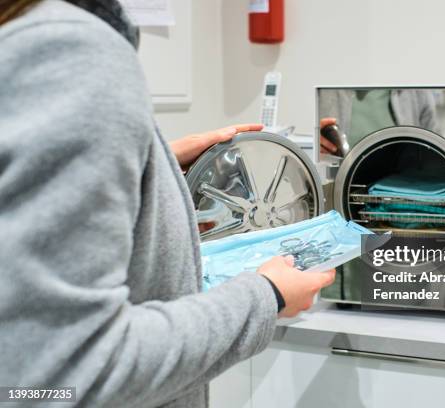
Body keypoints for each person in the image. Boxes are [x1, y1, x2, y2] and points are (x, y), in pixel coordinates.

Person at [0, 1, 335, 407]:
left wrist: (152, 163)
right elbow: (66, 375)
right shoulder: (70, 48)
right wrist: (265, 297)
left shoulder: (23, 35)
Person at [319, 88, 436, 155]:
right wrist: (313, 143)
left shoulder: (416, 90)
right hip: (338, 188)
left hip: (403, 189)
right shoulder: (324, 84)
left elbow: (432, 149)